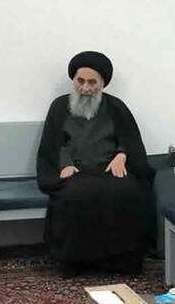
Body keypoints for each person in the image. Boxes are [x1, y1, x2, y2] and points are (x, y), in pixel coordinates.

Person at [36, 51, 154, 275]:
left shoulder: (116, 106)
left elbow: (129, 139)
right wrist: (64, 163)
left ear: (102, 83)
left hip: (110, 169)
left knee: (129, 191)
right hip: (75, 171)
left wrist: (122, 155)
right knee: (74, 196)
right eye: (80, 81)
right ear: (73, 80)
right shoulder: (60, 106)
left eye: (92, 82)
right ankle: (75, 263)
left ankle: (121, 262)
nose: (85, 88)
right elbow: (53, 143)